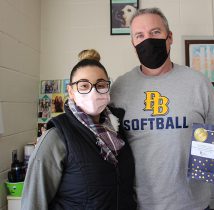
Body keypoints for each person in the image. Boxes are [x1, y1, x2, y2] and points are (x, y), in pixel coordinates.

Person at [110, 8, 214, 210]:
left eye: (155, 32)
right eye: (140, 35)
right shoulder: (119, 88)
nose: (148, 40)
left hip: (192, 204)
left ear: (170, 37)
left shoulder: (198, 82)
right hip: (138, 204)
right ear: (133, 43)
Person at [21, 49, 137, 210]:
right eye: (83, 85)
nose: (93, 91)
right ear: (71, 91)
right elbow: (32, 204)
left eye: (101, 85)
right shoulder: (57, 136)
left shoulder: (118, 131)